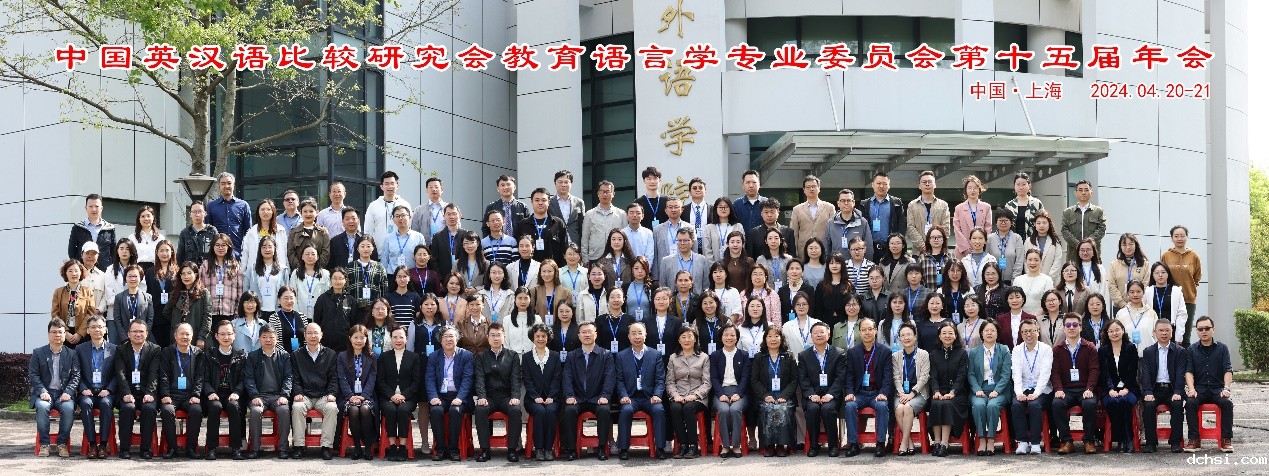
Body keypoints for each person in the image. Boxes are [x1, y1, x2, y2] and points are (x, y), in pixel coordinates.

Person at [560, 321, 616, 460]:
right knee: (569, 410)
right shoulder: (572, 356)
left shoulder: (606, 355)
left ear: (595, 334)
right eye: (583, 332)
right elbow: (567, 378)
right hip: (578, 398)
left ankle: (602, 448)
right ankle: (572, 449)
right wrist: (569, 396)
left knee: (604, 410)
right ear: (579, 336)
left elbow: (610, 378)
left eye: (590, 332)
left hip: (597, 397)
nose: (587, 335)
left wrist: (605, 395)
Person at [614, 322, 668, 459]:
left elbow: (660, 379)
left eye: (640, 333)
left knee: (658, 410)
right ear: (628, 336)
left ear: (645, 335)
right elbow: (619, 380)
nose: (637, 336)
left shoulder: (655, 354)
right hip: (631, 397)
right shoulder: (621, 356)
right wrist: (623, 395)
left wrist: (657, 394)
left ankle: (660, 448)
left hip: (650, 397)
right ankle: (623, 448)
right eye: (633, 333)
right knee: (626, 410)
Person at [472, 323, 523, 462]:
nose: (496, 338)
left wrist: (515, 396)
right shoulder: (481, 357)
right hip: (489, 397)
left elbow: (515, 378)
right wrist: (481, 397)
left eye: (498, 335)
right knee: (480, 409)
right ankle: (485, 450)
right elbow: (479, 378)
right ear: (487, 337)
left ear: (504, 336)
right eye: (492, 335)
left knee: (515, 410)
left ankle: (512, 450)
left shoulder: (512, 356)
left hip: (507, 397)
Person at [29, 318, 80, 458]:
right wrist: (42, 391)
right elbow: (33, 375)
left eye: (60, 332)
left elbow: (76, 375)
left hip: (64, 394)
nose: (57, 335)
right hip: (45, 393)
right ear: (48, 334)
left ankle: (62, 443)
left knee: (68, 408)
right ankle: (44, 444)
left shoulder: (72, 354)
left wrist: (68, 392)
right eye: (54, 332)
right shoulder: (38, 353)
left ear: (64, 335)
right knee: (42, 406)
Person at [1050, 313, 1100, 454]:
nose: (1071, 328)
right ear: (1064, 328)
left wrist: (1090, 388)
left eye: (1075, 325)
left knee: (1089, 404)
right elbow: (1055, 372)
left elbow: (1094, 370)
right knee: (1057, 404)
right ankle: (1066, 441)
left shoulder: (1090, 347)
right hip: (1066, 390)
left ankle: (1089, 441)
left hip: (1085, 389)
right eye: (1068, 325)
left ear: (1080, 327)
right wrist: (1058, 389)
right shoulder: (1057, 349)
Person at [841, 318, 892, 457]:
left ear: (875, 331)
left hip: (877, 392)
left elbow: (888, 376)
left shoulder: (885, 351)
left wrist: (883, 393)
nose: (867, 332)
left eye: (870, 329)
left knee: (882, 406)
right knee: (850, 406)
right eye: (864, 330)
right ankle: (854, 444)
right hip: (860, 393)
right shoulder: (853, 352)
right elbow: (849, 375)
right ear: (859, 333)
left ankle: (880, 443)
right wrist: (850, 392)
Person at [1183, 316, 1234, 453]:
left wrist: (1226, 388)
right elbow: (1188, 371)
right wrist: (1191, 389)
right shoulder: (1192, 349)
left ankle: (1226, 440)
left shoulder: (1222, 348)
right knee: (1190, 402)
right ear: (1197, 331)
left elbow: (1228, 370)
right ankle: (1194, 439)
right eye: (1200, 329)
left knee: (1227, 403)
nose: (1204, 331)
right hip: (1199, 390)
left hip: (1218, 389)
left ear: (1213, 329)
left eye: (1207, 328)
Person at [289, 322, 340, 460]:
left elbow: (334, 378)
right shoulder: (296, 355)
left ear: (321, 335)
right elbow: (294, 378)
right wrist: (298, 392)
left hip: (323, 395)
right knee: (297, 407)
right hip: (304, 395)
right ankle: (298, 446)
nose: (313, 336)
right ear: (304, 335)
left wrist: (332, 393)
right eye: (309, 333)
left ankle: (326, 447)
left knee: (332, 408)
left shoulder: (330, 354)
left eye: (316, 333)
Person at [425, 327, 474, 461]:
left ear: (457, 339)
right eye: (445, 336)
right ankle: (440, 449)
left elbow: (467, 380)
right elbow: (429, 379)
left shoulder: (466, 356)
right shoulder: (434, 356)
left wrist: (460, 397)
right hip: (440, 396)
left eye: (451, 336)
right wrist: (433, 397)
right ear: (440, 340)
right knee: (435, 411)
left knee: (455, 411)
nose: (448, 339)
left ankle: (453, 450)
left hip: (459, 396)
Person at [244, 326, 293, 459]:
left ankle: (283, 448)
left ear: (277, 338)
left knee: (284, 410)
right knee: (255, 411)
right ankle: (255, 448)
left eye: (271, 337)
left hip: (278, 396)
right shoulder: (252, 356)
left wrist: (284, 395)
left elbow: (288, 377)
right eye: (264, 337)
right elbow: (249, 378)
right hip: (260, 396)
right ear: (259, 339)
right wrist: (254, 395)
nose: (268, 340)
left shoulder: (284, 356)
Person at [158, 323, 206, 458]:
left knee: (196, 410)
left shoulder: (198, 353)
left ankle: (191, 448)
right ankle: (172, 448)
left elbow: (200, 377)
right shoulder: (167, 352)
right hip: (171, 395)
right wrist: (165, 394)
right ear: (175, 336)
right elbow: (163, 375)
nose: (184, 337)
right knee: (167, 410)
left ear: (192, 336)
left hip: (190, 395)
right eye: (181, 334)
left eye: (187, 334)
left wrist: (196, 395)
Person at [1139, 318, 1187, 453]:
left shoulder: (1180, 351)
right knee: (1148, 406)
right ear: (1155, 332)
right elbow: (1145, 374)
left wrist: (1178, 391)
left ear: (1172, 332)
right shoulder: (1148, 351)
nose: (1164, 333)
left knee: (1177, 405)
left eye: (1167, 330)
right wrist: (1147, 392)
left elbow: (1180, 373)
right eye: (1161, 330)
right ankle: (1151, 442)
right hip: (1155, 389)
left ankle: (1175, 442)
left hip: (1172, 389)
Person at [114, 319, 160, 459]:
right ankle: (124, 449)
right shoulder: (121, 349)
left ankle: (145, 449)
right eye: (134, 331)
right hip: (128, 391)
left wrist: (150, 393)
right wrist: (126, 393)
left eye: (141, 331)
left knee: (149, 409)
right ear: (128, 334)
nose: (138, 334)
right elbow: (120, 373)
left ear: (146, 333)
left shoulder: (155, 349)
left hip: (147, 392)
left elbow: (154, 373)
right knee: (128, 408)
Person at [202, 319, 247, 460]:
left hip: (232, 394)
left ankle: (236, 448)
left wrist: (237, 392)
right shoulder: (209, 355)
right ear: (216, 336)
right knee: (215, 407)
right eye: (222, 334)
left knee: (234, 407)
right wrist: (210, 392)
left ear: (234, 335)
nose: (226, 337)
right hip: (214, 393)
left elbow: (243, 379)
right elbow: (204, 378)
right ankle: (211, 448)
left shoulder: (241, 355)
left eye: (229, 334)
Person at [798, 322, 844, 457]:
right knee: (812, 409)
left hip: (831, 395)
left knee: (827, 409)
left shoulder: (838, 353)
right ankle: (813, 446)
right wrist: (811, 394)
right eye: (815, 333)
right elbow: (803, 378)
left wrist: (831, 394)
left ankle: (833, 446)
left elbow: (840, 377)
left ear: (828, 334)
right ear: (811, 336)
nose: (819, 335)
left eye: (822, 332)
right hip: (812, 395)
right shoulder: (804, 355)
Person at [751, 326, 797, 456]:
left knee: (782, 408)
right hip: (766, 395)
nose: (773, 339)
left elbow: (794, 379)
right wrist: (765, 395)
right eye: (770, 336)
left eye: (776, 336)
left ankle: (781, 445)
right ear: (765, 339)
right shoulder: (759, 357)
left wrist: (784, 395)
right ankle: (769, 445)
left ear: (781, 339)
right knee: (768, 407)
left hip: (784, 395)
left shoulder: (789, 356)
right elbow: (754, 380)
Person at [968, 319, 1011, 456]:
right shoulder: (974, 352)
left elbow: (1006, 374)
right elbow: (971, 374)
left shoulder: (1004, 350)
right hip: (980, 389)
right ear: (981, 333)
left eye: (993, 330)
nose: (989, 333)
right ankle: (982, 439)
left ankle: (991, 440)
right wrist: (976, 389)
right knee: (978, 405)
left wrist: (997, 391)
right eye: (986, 330)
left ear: (997, 333)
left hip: (1000, 390)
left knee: (992, 406)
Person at [75, 316, 116, 459]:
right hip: (87, 392)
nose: (97, 330)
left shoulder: (114, 349)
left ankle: (103, 445)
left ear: (105, 329)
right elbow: (76, 373)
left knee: (106, 404)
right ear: (87, 330)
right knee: (86, 403)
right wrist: (82, 388)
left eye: (100, 327)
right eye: (93, 327)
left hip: (106, 392)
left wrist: (109, 389)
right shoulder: (80, 349)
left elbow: (118, 374)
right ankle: (92, 445)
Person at [666, 327, 710, 458]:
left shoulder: (703, 357)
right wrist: (675, 395)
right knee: (675, 408)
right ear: (679, 340)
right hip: (679, 395)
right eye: (683, 337)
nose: (687, 340)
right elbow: (670, 381)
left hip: (698, 397)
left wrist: (695, 395)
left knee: (688, 408)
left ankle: (693, 445)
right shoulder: (673, 358)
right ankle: (682, 444)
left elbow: (707, 383)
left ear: (695, 339)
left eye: (690, 336)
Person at [1010, 319, 1052, 455]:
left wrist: (1037, 393)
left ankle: (1035, 442)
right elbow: (1016, 373)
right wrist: (1018, 392)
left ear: (1038, 332)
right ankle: (1022, 442)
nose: (1029, 334)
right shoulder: (1017, 350)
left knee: (1035, 405)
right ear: (1021, 334)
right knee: (1016, 405)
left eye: (1032, 331)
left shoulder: (1046, 349)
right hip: (1022, 388)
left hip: (1042, 389)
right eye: (1025, 332)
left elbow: (1045, 374)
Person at [378, 326, 420, 461]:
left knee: (402, 410)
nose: (398, 340)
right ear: (390, 339)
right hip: (387, 397)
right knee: (390, 409)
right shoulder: (384, 357)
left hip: (408, 398)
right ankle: (391, 446)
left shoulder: (414, 357)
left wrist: (403, 395)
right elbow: (380, 381)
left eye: (401, 337)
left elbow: (416, 382)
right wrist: (391, 395)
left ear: (406, 339)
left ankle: (402, 446)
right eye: (395, 337)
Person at [521, 324, 563, 461]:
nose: (540, 339)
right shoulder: (526, 357)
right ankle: (539, 449)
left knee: (550, 411)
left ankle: (548, 449)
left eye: (543, 336)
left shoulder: (555, 356)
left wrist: (552, 396)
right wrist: (535, 396)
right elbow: (527, 380)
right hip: (532, 399)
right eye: (537, 336)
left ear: (548, 337)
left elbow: (557, 379)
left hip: (553, 398)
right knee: (539, 411)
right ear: (532, 338)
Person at [926, 320, 968, 457]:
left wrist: (953, 392)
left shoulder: (962, 353)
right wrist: (936, 391)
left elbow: (962, 376)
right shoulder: (933, 354)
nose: (947, 336)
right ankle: (937, 442)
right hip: (940, 391)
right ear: (939, 336)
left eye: (950, 333)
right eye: (944, 333)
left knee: (947, 404)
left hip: (957, 394)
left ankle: (944, 443)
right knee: (936, 403)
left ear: (955, 335)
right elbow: (933, 376)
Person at [1098, 319, 1140, 453]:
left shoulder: (1130, 348)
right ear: (1107, 333)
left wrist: (1126, 388)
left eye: (1117, 330)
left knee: (1124, 401)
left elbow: (1132, 371)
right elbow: (1104, 373)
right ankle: (1121, 439)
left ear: (1123, 330)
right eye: (1111, 331)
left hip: (1130, 388)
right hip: (1109, 389)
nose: (1114, 333)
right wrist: (1110, 389)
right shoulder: (1103, 350)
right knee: (1112, 402)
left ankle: (1128, 439)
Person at [339, 325, 378, 461]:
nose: (359, 340)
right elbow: (342, 378)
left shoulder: (372, 357)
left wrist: (363, 396)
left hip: (367, 396)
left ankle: (367, 447)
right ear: (350, 338)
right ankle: (356, 447)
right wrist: (350, 396)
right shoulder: (342, 356)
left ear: (366, 339)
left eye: (362, 337)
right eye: (356, 337)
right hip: (348, 396)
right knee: (354, 410)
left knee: (365, 409)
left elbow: (372, 379)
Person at [710, 325, 749, 457]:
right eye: (726, 335)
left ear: (737, 338)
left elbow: (745, 377)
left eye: (732, 335)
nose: (729, 338)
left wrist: (739, 393)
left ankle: (736, 445)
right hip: (721, 391)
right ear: (721, 337)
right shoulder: (715, 355)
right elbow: (714, 378)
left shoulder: (743, 355)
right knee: (724, 410)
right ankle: (726, 445)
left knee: (735, 409)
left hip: (739, 391)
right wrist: (720, 394)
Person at [891, 323, 928, 456]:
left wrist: (912, 394)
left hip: (919, 393)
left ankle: (903, 443)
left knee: (907, 407)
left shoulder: (923, 354)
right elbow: (895, 377)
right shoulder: (895, 356)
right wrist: (902, 393)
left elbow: (924, 377)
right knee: (899, 408)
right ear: (899, 339)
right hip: (901, 394)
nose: (906, 338)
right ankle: (909, 442)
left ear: (915, 336)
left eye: (909, 334)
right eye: (903, 335)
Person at [1161, 226, 1202, 346]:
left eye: (1182, 236)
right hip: (1170, 299)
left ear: (1187, 237)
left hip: (1188, 299)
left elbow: (1197, 276)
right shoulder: (1166, 255)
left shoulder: (1194, 256)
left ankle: (1186, 359)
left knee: (1185, 336)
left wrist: (1189, 287)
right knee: (1169, 334)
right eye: (1176, 236)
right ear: (1171, 238)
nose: (1179, 238)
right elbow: (1161, 274)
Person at [200, 234, 244, 333]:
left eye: (223, 245)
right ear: (213, 247)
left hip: (229, 312)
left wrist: (237, 311)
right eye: (217, 245)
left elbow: (240, 291)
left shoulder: (235, 266)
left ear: (229, 247)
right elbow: (200, 288)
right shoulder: (205, 265)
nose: (220, 248)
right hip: (210, 313)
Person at [516, 188, 569, 265]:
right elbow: (517, 250)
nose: (540, 203)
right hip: (529, 269)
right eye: (537, 200)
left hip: (552, 269)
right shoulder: (523, 224)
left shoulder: (558, 223)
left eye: (544, 200)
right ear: (532, 202)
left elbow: (564, 249)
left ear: (549, 202)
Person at [206, 173, 253, 258]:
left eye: (229, 183)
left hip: (238, 254)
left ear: (233, 185)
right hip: (217, 255)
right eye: (223, 183)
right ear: (219, 186)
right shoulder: (211, 206)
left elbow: (248, 232)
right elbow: (208, 232)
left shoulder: (243, 205)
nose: (226, 186)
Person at [52, 259, 97, 348]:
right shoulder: (58, 292)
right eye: (70, 271)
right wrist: (65, 332)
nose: (74, 273)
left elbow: (91, 313)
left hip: (83, 335)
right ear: (65, 273)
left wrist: (80, 334)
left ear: (81, 272)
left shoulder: (88, 291)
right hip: (63, 335)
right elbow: (55, 314)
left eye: (76, 270)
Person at [166, 262, 211, 349]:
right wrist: (176, 319)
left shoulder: (203, 293)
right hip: (179, 336)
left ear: (196, 275)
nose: (186, 276)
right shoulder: (176, 293)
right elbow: (166, 312)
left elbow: (207, 317)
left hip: (196, 336)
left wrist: (201, 338)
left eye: (189, 273)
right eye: (183, 274)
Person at [68, 194, 117, 271]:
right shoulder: (77, 227)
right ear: (86, 208)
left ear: (101, 208)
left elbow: (114, 252)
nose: (94, 209)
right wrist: (79, 267)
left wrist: (109, 266)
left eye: (97, 206)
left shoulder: (109, 228)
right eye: (90, 206)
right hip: (83, 271)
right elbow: (72, 251)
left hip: (104, 272)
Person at [1060, 180, 1107, 260]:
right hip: (1073, 255)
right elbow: (1064, 230)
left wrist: (1088, 244)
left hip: (1093, 255)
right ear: (1075, 193)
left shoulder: (1099, 211)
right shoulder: (1068, 212)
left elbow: (1102, 229)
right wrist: (1078, 244)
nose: (1083, 193)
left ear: (1091, 193)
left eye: (1086, 190)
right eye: (1080, 190)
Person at [905, 171, 952, 251]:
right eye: (924, 182)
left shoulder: (943, 205)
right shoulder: (912, 205)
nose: (927, 184)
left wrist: (934, 245)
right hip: (918, 251)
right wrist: (924, 246)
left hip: (939, 250)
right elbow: (910, 228)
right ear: (919, 186)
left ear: (935, 185)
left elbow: (946, 228)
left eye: (930, 182)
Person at [581, 181, 626, 262]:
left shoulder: (621, 214)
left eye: (608, 191)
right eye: (602, 191)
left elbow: (625, 238)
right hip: (594, 257)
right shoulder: (589, 214)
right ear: (598, 193)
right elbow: (585, 238)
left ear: (613, 194)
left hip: (615, 257)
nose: (605, 194)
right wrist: (585, 259)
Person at [244, 236, 288, 319]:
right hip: (257, 311)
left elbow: (286, 291)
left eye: (270, 247)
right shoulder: (252, 269)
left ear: (275, 249)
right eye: (264, 247)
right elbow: (246, 290)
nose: (267, 250)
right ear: (260, 250)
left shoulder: (283, 270)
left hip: (277, 311)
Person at [789, 175, 834, 256]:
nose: (811, 189)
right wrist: (795, 253)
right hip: (803, 251)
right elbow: (794, 233)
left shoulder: (829, 208)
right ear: (804, 190)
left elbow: (833, 231)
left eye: (814, 186)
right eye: (808, 187)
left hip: (824, 250)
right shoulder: (797, 209)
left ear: (819, 188)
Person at [242, 199, 288, 275]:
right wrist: (243, 273)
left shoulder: (281, 231)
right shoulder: (251, 232)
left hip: (277, 272)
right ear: (258, 212)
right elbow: (245, 254)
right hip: (256, 272)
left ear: (273, 212)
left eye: (268, 209)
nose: (265, 212)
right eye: (262, 209)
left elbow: (285, 253)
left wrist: (286, 272)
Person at [364, 171, 412, 244]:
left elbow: (409, 227)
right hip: (379, 247)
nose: (389, 186)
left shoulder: (405, 205)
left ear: (397, 185)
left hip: (400, 247)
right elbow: (368, 230)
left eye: (392, 183)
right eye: (386, 184)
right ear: (381, 186)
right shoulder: (373, 206)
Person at [147, 241, 180, 345]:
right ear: (157, 253)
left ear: (172, 252)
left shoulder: (178, 272)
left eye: (167, 250)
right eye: (161, 250)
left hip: (172, 317)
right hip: (156, 317)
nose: (164, 253)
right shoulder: (150, 272)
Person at [659, 228, 710, 294]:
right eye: (680, 240)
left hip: (697, 299)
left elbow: (706, 287)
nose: (682, 243)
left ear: (692, 241)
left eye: (685, 240)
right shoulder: (666, 261)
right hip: (674, 299)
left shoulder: (702, 260)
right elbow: (663, 287)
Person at [825, 189, 873, 259]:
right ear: (838, 203)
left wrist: (866, 263)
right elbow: (826, 246)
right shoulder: (831, 223)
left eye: (849, 200)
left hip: (857, 263)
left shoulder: (862, 222)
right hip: (837, 263)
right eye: (843, 200)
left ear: (853, 202)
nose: (846, 203)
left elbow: (868, 246)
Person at [953, 175, 991, 260]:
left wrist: (981, 244)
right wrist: (966, 248)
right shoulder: (959, 208)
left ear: (979, 190)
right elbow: (957, 230)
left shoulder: (986, 207)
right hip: (962, 251)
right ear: (966, 190)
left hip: (981, 249)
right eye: (969, 188)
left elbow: (988, 228)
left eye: (975, 188)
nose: (972, 190)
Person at [347, 236, 389, 313]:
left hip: (374, 309)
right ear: (358, 248)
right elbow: (346, 289)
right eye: (362, 246)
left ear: (373, 248)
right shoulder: (350, 266)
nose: (365, 249)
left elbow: (384, 290)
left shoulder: (379, 267)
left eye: (368, 246)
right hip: (354, 309)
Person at [1108, 234, 1150, 311]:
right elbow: (1112, 286)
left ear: (1136, 245)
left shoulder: (1145, 264)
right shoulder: (1114, 264)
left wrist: (1135, 303)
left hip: (1139, 307)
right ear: (1120, 247)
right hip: (1119, 307)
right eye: (1124, 245)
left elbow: (1145, 284)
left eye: (1131, 244)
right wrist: (1123, 304)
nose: (1128, 247)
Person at [1115, 280, 1158, 353]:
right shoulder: (1121, 314)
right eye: (1132, 292)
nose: (1135, 295)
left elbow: (1156, 335)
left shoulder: (1151, 313)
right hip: (1127, 355)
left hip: (1148, 355)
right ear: (1127, 293)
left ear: (1143, 292)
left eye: (1138, 291)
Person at [289, 245, 331, 320]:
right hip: (300, 313)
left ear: (317, 257)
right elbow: (292, 294)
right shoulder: (295, 273)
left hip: (319, 314)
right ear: (302, 257)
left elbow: (327, 295)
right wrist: (296, 313)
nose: (310, 256)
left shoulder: (325, 274)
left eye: (313, 254)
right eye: (307, 254)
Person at [328, 207, 374, 272]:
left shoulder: (366, 240)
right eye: (347, 219)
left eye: (353, 218)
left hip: (361, 275)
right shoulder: (335, 241)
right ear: (342, 221)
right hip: (341, 276)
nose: (351, 221)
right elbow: (331, 264)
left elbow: (374, 260)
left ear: (359, 220)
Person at [382, 205, 426, 273]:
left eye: (403, 215)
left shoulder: (419, 237)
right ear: (393, 220)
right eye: (397, 216)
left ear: (409, 217)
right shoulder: (388, 238)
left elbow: (423, 259)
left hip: (413, 275)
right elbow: (384, 261)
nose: (400, 218)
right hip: (393, 275)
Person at [987, 208, 1026, 283]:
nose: (1003, 223)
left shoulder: (1017, 238)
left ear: (1011, 222)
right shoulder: (990, 238)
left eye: (1006, 220)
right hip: (993, 280)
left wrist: (1014, 280)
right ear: (996, 222)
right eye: (1000, 220)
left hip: (1011, 280)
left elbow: (1019, 261)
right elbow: (987, 260)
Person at [548, 170, 585, 246]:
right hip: (555, 244)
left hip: (574, 244)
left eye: (566, 182)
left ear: (571, 184)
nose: (563, 185)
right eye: (560, 182)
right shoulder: (549, 203)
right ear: (555, 183)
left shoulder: (579, 203)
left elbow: (582, 226)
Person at [429, 204, 468, 278]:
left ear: (460, 216)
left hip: (463, 278)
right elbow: (434, 260)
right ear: (444, 216)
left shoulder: (466, 235)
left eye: (454, 214)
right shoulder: (437, 237)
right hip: (444, 279)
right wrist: (439, 279)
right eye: (448, 214)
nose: (451, 217)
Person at [702, 197, 745, 263]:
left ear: (730, 209)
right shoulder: (709, 228)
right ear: (715, 209)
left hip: (734, 265)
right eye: (720, 207)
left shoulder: (738, 226)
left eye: (726, 207)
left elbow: (742, 246)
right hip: (714, 267)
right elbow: (706, 249)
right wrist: (714, 266)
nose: (723, 209)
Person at [1027, 211, 1066, 283]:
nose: (1041, 225)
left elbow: (1057, 264)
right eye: (1038, 223)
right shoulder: (1028, 241)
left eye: (1044, 223)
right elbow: (1025, 261)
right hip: (1031, 280)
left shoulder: (1056, 242)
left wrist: (1047, 280)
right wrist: (1031, 277)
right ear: (1034, 224)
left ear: (1049, 224)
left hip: (1051, 282)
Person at [177, 201, 220, 265]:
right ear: (190, 214)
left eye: (200, 211)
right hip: (190, 270)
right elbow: (180, 257)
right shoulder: (185, 233)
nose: (197, 215)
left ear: (205, 213)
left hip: (208, 269)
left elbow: (218, 253)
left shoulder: (212, 231)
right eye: (194, 212)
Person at [1014, 249, 1055, 316]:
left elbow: (1048, 302)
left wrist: (1035, 318)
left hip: (1040, 317)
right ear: (1026, 261)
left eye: (1036, 260)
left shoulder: (1047, 280)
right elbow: (1014, 301)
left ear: (1041, 261)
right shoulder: (1018, 280)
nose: (1032, 263)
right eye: (1030, 260)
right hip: (1020, 317)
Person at [1003, 172, 1044, 239]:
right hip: (1013, 241)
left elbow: (1043, 222)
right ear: (1014, 186)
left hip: (1033, 240)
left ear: (1029, 185)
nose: (1021, 187)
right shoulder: (1009, 205)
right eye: (1018, 184)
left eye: (1024, 184)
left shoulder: (1037, 203)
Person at [814, 254, 852, 324]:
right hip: (825, 323)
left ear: (842, 265)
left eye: (837, 263)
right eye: (831, 263)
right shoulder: (821, 286)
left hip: (844, 323)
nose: (834, 266)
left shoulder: (848, 285)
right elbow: (818, 309)